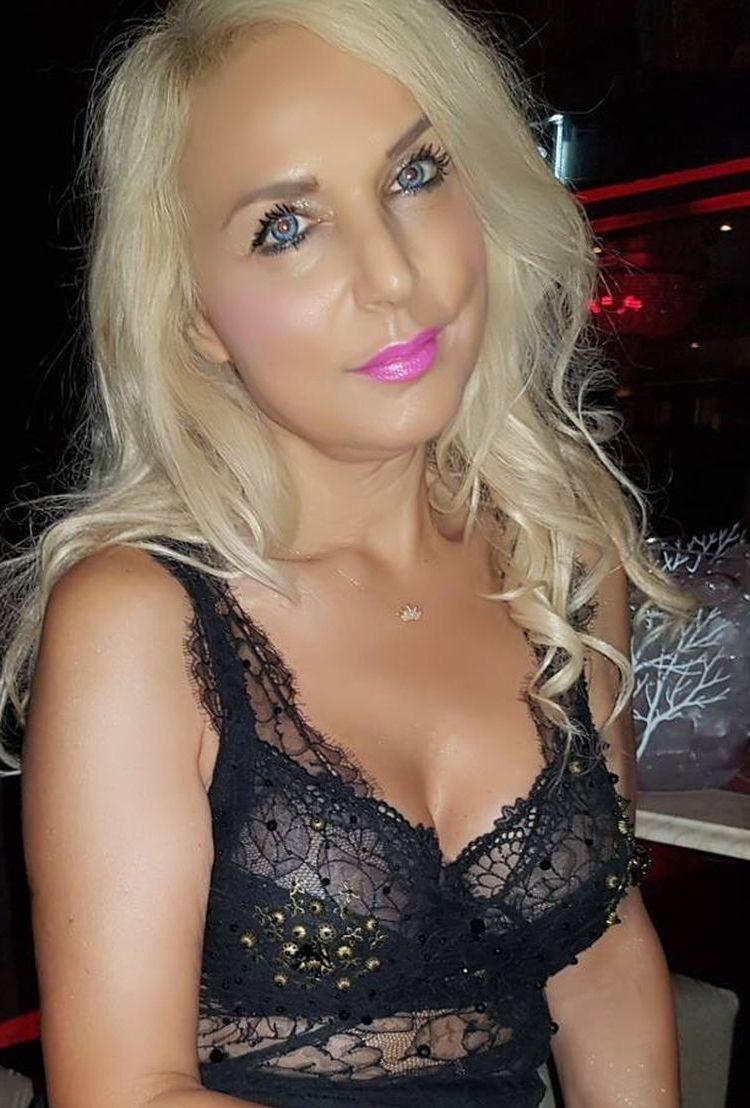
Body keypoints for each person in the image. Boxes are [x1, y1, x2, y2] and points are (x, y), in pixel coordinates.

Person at [1, 1, 696, 1106]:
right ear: (195, 314)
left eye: (415, 174)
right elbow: (126, 1091)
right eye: (285, 227)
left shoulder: (560, 549)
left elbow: (602, 960)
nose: (393, 276)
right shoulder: (139, 618)